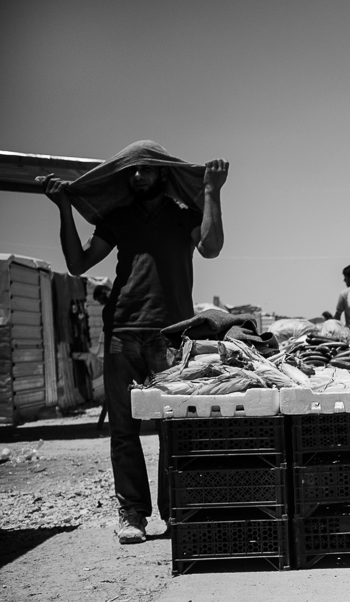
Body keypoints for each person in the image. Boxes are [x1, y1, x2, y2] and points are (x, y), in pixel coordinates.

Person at [42, 140, 228, 544]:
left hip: (172, 336)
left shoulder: (184, 215)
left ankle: (173, 512)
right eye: (133, 171)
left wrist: (212, 191)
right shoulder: (118, 218)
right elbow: (78, 264)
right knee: (124, 430)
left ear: (163, 173)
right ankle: (132, 516)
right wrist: (63, 209)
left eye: (146, 169)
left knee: (172, 428)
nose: (139, 176)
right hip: (122, 332)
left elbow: (211, 249)